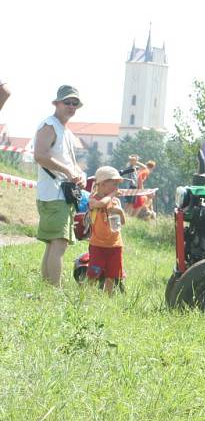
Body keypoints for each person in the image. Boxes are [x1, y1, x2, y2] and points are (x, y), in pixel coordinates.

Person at [33, 85, 86, 287]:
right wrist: (68, 171)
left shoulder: (63, 129)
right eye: (67, 102)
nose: (71, 106)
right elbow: (40, 155)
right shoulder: (49, 125)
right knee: (59, 244)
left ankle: (47, 288)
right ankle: (54, 290)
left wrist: (78, 174)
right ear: (56, 103)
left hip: (57, 194)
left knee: (53, 244)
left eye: (75, 103)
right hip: (54, 195)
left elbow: (68, 163)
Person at [87, 166, 126, 296]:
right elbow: (102, 204)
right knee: (93, 274)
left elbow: (122, 223)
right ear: (103, 184)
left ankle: (107, 298)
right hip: (98, 245)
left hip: (115, 245)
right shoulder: (93, 200)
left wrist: (119, 211)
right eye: (114, 183)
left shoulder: (115, 201)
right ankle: (87, 296)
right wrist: (112, 195)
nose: (116, 187)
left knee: (112, 275)